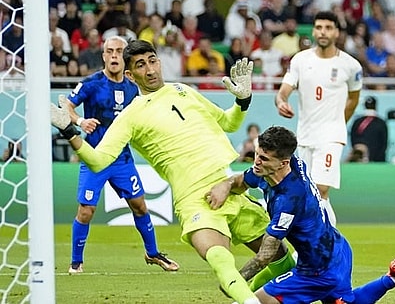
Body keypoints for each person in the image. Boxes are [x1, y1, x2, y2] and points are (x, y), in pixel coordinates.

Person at [50, 42, 295, 304]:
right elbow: (98, 161)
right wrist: (69, 131)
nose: (150, 69)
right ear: (130, 75)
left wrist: (243, 101)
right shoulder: (130, 115)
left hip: (230, 186)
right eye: (141, 65)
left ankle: (242, 297)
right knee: (220, 258)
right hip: (195, 200)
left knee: (284, 260)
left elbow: (229, 122)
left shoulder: (183, 91)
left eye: (152, 60)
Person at [206, 125, 395, 303]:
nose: (256, 162)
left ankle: (392, 279)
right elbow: (243, 180)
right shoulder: (280, 167)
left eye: (264, 158)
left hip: (316, 270)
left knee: (257, 302)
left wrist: (236, 279)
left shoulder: (290, 198)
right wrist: (226, 185)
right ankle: (394, 278)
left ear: (283, 163)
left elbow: (266, 254)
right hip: (337, 249)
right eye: (257, 154)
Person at [62, 36, 179, 274]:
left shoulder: (133, 86)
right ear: (103, 56)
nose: (114, 56)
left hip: (122, 159)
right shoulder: (91, 83)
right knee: (86, 210)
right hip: (94, 157)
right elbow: (67, 106)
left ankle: (153, 253)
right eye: (110, 51)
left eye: (119, 51)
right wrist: (81, 121)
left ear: (125, 57)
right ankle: (76, 261)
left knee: (140, 207)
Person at [275, 11, 362, 225]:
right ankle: (315, 245)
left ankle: (328, 245)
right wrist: (281, 101)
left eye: (328, 28)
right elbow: (284, 89)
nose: (323, 32)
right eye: (319, 27)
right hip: (304, 136)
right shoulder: (300, 60)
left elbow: (353, 99)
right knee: (308, 193)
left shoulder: (350, 66)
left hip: (331, 136)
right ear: (313, 30)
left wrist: (338, 125)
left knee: (320, 189)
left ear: (337, 32)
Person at [349, 96, 388, 163]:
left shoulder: (357, 122)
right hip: (377, 161)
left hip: (359, 161)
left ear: (364, 106)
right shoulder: (381, 123)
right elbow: (384, 143)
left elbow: (353, 141)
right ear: (375, 106)